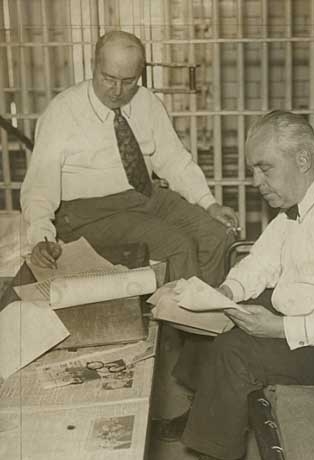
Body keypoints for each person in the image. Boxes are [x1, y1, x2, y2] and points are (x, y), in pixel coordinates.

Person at [164, 111, 314, 460]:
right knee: (213, 314)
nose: (256, 181)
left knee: (236, 350)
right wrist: (225, 293)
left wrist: (280, 328)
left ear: (302, 160)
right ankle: (203, 411)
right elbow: (261, 262)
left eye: (264, 168)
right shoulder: (301, 207)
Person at [20, 30, 238, 287]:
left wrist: (209, 204)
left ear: (140, 74)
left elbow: (174, 159)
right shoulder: (62, 112)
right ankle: (180, 324)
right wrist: (41, 237)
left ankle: (204, 316)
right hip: (89, 213)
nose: (117, 90)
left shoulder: (147, 102)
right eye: (108, 78)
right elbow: (39, 187)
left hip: (146, 197)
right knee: (179, 246)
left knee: (216, 234)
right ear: (94, 65)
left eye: (128, 80)